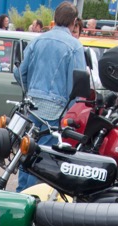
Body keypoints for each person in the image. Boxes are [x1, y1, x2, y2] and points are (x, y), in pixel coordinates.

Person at [14, 1, 85, 192]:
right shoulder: (75, 46)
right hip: (56, 109)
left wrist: (31, 90)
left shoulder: (37, 40)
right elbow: (78, 84)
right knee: (43, 158)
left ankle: (21, 193)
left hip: (32, 107)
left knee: (27, 150)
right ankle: (32, 199)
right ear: (74, 21)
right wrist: (71, 109)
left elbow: (19, 73)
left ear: (54, 18)